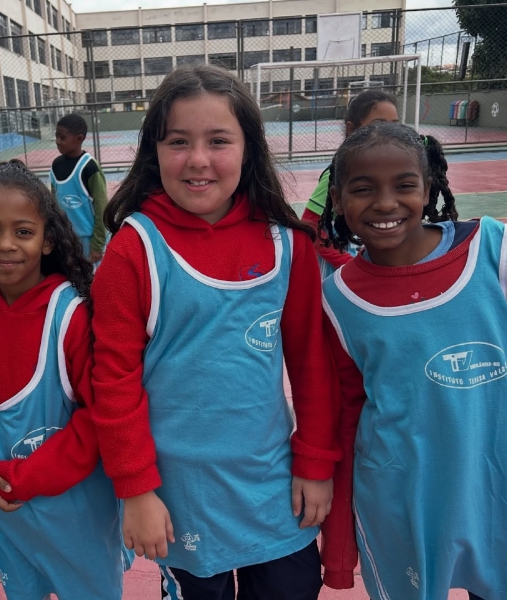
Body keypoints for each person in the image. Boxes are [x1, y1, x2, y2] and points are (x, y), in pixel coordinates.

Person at [90, 64, 341, 600]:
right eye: (178, 141)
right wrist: (136, 489)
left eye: (218, 141)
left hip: (273, 488)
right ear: (154, 151)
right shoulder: (134, 250)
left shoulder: (287, 244)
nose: (198, 159)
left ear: (248, 148)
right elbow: (113, 381)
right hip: (179, 497)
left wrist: (317, 461)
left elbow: (312, 363)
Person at [319, 122, 507, 599]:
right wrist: (338, 547)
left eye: (404, 185)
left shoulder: (495, 255)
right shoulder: (338, 300)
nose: (385, 203)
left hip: (497, 497)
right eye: (363, 189)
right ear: (337, 199)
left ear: (428, 188)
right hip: (398, 506)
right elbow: (346, 419)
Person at [0, 163, 128, 600]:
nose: (5, 244)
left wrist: (24, 477)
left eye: (22, 232)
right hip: (5, 514)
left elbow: (98, 417)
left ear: (47, 239)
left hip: (77, 519)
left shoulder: (71, 315)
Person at [301, 89, 399, 279]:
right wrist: (347, 263)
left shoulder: (396, 174)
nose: (389, 133)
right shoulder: (337, 175)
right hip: (340, 271)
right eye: (379, 124)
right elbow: (311, 225)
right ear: (352, 129)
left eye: (395, 125)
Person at [50, 113, 108, 264]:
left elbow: (101, 208)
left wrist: (97, 244)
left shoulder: (90, 168)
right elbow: (52, 203)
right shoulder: (56, 165)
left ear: (79, 139)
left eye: (62, 137)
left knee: (89, 277)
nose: (57, 141)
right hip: (64, 239)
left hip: (88, 242)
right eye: (56, 136)